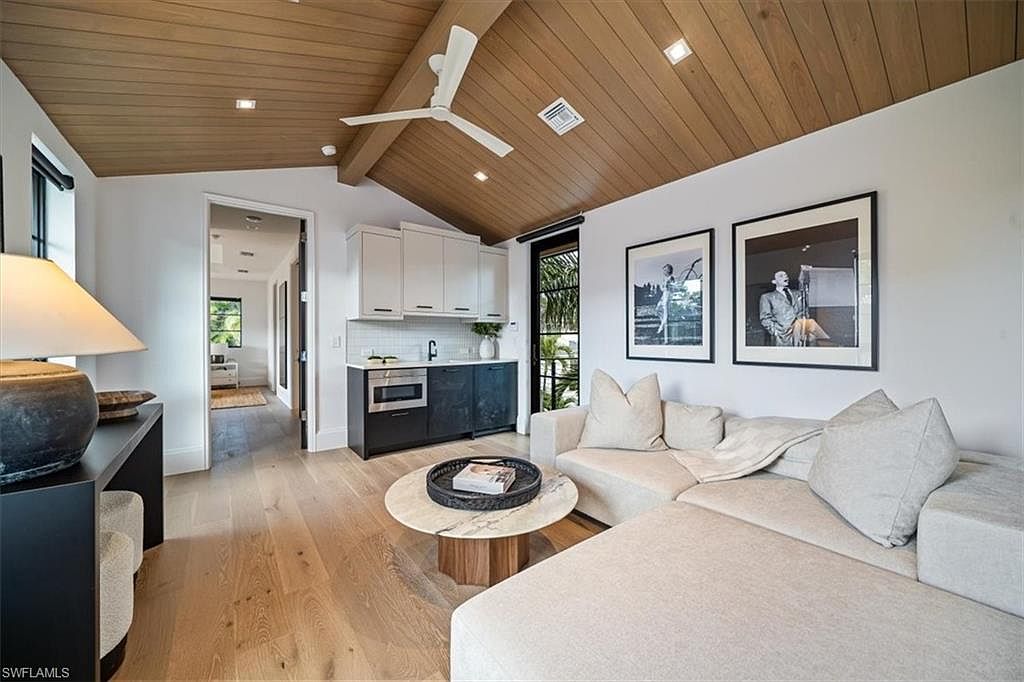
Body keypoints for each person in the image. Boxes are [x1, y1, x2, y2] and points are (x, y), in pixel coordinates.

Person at [759, 270, 798, 346]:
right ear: (774, 281)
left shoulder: (798, 293)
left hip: (800, 334)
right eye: (781, 276)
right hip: (782, 337)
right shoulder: (767, 297)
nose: (786, 276)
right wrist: (776, 332)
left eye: (786, 275)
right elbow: (765, 318)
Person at [655, 264, 676, 336]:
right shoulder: (664, 279)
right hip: (663, 296)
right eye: (663, 270)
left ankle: (661, 328)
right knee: (657, 310)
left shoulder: (671, 278)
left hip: (668, 296)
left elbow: (673, 288)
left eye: (665, 270)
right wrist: (663, 287)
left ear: (669, 270)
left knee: (665, 312)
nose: (664, 271)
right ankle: (663, 322)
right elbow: (662, 288)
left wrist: (668, 287)